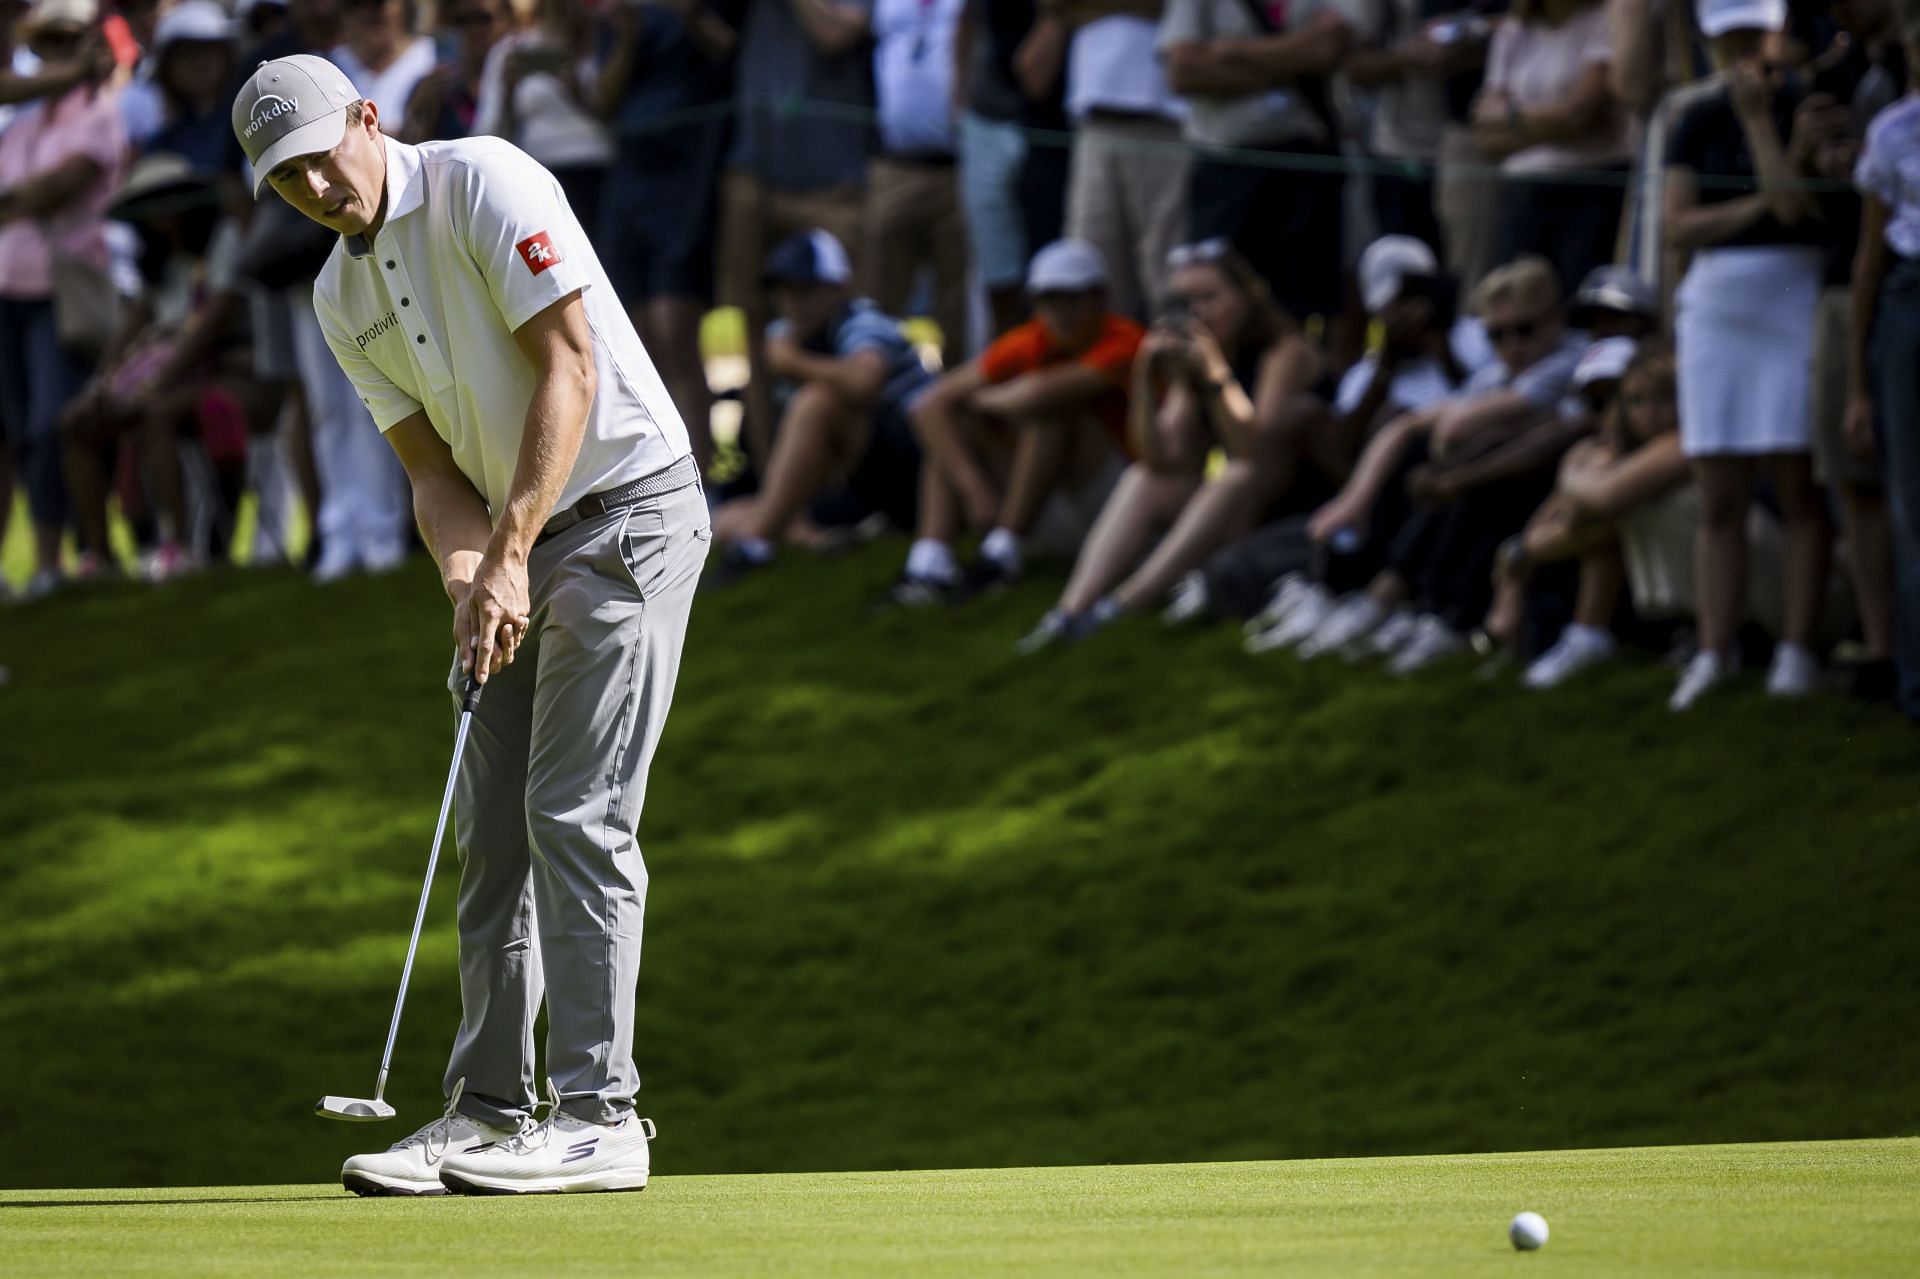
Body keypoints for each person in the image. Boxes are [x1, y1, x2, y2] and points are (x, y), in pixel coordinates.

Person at [234, 52, 705, 1194]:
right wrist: (467, 579)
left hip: (625, 515)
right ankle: (489, 1114)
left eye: (315, 157)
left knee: (575, 812)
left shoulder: (486, 178)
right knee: (490, 833)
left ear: (367, 116)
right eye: (284, 181)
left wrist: (507, 556)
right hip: (510, 547)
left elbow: (571, 369)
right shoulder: (338, 297)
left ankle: (602, 1117)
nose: (312, 189)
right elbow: (432, 474)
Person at [1015, 239, 1326, 651]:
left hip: (1295, 507)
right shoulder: (1199, 355)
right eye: (1188, 301)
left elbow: (1254, 449)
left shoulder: (1285, 353)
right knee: (1146, 479)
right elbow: (1158, 455)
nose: (1199, 311)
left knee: (1235, 476)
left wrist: (1215, 374)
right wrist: (1146, 377)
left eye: (1210, 297)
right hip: (1238, 509)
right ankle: (1071, 611)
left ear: (1249, 294)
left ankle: (1121, 608)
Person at [1664, 0, 1837, 710]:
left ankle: (1796, 649)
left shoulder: (1802, 102)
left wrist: (1763, 124)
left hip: (1790, 294)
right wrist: (1754, 208)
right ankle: (1715, 648)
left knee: (1798, 483)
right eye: (1725, 37)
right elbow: (1679, 225)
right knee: (1719, 491)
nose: (1736, 51)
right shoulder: (1693, 118)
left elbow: (1797, 210)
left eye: (1748, 35)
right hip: (1717, 307)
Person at [892, 238, 1142, 601]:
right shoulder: (1031, 339)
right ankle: (930, 563)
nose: (1061, 313)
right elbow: (927, 406)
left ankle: (1002, 551)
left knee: (1050, 412)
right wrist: (973, 488)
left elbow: (1041, 393)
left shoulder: (1124, 340)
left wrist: (982, 402)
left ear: (1099, 298)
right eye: (1050, 300)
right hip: (1051, 502)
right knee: (953, 428)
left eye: (1072, 298)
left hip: (1120, 503)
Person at [710, 229, 931, 574]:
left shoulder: (863, 320)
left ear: (840, 287)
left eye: (804, 290)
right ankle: (808, 534)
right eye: (783, 292)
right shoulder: (783, 336)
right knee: (722, 519)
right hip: (852, 483)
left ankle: (755, 545)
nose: (792, 303)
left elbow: (863, 382)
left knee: (817, 401)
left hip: (917, 469)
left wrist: (791, 363)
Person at [0, 0, 123, 599]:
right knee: (16, 429)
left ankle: (57, 560)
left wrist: (18, 200)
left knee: (53, 424)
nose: (56, 53)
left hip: (60, 296)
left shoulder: (98, 115)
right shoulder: (24, 123)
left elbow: (53, 190)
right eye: (47, 43)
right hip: (9, 292)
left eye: (67, 41)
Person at [721, 0, 874, 479]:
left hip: (835, 178)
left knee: (843, 329)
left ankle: (847, 487)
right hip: (754, 172)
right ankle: (770, 481)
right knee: (755, 330)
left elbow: (840, 32)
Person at [1486, 341, 1689, 687]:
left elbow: (1599, 502)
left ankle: (1588, 635)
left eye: (1614, 397)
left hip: (1667, 588)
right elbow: (1546, 525)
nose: (1610, 413)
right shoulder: (1595, 454)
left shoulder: (1676, 442)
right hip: (1632, 588)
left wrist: (1571, 477)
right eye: (1598, 402)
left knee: (1610, 520)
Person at [594, 0, 738, 475]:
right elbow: (604, 102)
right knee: (640, 341)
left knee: (677, 331)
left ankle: (702, 477)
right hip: (631, 178)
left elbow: (731, 55)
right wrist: (629, 36)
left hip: (687, 177)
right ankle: (665, 476)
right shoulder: (618, 15)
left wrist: (691, 15)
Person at [1158, 0, 1357, 325]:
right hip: (1226, 171)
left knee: (1302, 307)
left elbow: (1331, 46)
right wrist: (1296, 54)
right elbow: (1183, 71)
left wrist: (1232, 53)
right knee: (1220, 303)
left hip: (1306, 166)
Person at [1850, 0, 1920, 719]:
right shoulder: (1892, 132)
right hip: (1908, 300)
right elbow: (1868, 259)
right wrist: (1857, 386)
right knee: (1910, 503)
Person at [1473, 0, 1630, 293]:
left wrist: (1508, 115)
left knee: (1578, 301)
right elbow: (1486, 137)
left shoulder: (1603, 19)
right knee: (1517, 298)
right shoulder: (1513, 31)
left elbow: (1577, 115)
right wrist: (1565, 126)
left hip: (1590, 189)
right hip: (1522, 196)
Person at [1056, 2, 1188, 323]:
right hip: (1094, 122)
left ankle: (1173, 370)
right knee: (1088, 276)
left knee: (1170, 281)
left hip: (1165, 121)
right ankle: (1102, 373)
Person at [955, 0, 1069, 337]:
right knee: (997, 278)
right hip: (988, 123)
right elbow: (968, 20)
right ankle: (1004, 366)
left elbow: (1033, 75)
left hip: (1052, 136)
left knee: (1048, 269)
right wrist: (959, 97)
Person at [864, 0, 968, 365]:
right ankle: (880, 412)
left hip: (959, 168)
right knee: (878, 307)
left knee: (960, 314)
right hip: (893, 165)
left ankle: (952, 415)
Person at [1346, 0, 1492, 256]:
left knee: (1463, 266)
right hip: (1400, 151)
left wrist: (1471, 41)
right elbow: (1355, 67)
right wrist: (1406, 58)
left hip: (1475, 150)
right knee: (1404, 267)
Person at [471, 0, 612, 221]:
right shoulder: (512, 50)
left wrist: (579, 94)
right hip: (537, 169)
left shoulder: (606, 42)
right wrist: (507, 93)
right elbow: (485, 132)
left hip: (597, 169)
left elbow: (622, 115)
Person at [399, 0, 510, 143]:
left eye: (484, 19)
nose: (474, 30)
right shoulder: (435, 88)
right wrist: (420, 111)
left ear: (507, 21)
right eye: (462, 21)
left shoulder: (521, 83)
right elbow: (410, 149)